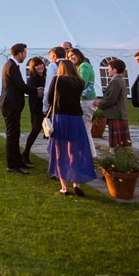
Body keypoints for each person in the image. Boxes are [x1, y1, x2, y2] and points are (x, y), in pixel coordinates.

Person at [47, 60, 97, 196]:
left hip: (61, 118)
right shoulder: (79, 82)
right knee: (74, 150)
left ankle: (64, 186)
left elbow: (50, 98)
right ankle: (76, 183)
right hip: (75, 118)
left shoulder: (57, 80)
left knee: (59, 151)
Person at [0, 43, 43, 175]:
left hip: (13, 104)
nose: (25, 55)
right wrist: (36, 91)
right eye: (25, 53)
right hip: (10, 104)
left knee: (16, 133)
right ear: (20, 53)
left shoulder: (11, 65)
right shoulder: (11, 66)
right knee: (12, 134)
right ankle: (12, 165)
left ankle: (18, 160)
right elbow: (20, 85)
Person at [94, 58, 131, 148]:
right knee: (122, 141)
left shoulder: (115, 81)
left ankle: (117, 154)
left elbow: (111, 99)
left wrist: (98, 103)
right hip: (119, 113)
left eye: (109, 69)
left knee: (117, 142)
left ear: (114, 70)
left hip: (116, 113)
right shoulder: (120, 80)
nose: (107, 71)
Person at [69, 47, 97, 158]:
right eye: (69, 57)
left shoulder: (84, 66)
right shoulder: (82, 66)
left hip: (86, 100)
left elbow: (82, 83)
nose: (71, 58)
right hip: (86, 100)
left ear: (78, 54)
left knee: (85, 130)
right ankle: (89, 154)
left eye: (72, 55)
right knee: (85, 129)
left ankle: (89, 154)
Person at [22, 56, 47, 165]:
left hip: (46, 107)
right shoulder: (33, 79)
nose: (40, 66)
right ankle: (25, 153)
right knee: (35, 130)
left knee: (48, 131)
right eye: (36, 65)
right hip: (38, 108)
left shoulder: (46, 76)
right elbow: (32, 94)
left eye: (40, 64)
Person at [42, 46, 66, 116]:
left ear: (54, 56)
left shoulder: (53, 66)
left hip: (58, 100)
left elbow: (49, 87)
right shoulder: (71, 64)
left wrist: (45, 106)